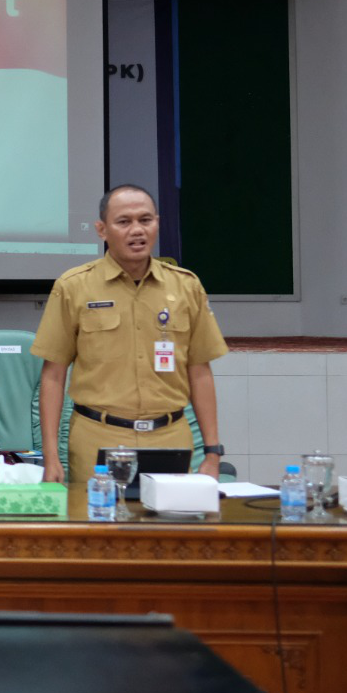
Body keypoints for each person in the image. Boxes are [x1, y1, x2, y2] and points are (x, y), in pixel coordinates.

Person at [31, 184, 229, 485]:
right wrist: (50, 456)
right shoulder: (74, 287)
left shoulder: (186, 286)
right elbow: (53, 375)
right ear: (101, 230)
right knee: (98, 529)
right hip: (98, 438)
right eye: (124, 222)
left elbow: (199, 370)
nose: (137, 230)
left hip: (170, 439)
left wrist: (213, 453)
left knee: (169, 529)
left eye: (145, 220)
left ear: (157, 224)